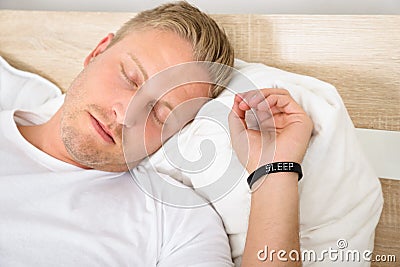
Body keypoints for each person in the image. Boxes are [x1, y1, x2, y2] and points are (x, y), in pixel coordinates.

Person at [0, 1, 313, 267]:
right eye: (130, 78)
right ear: (97, 52)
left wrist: (275, 170)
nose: (124, 115)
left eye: (161, 112)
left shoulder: (176, 222)